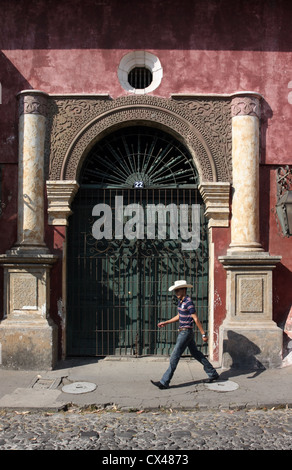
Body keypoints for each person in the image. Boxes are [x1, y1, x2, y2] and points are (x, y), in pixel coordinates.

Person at [151, 280, 219, 389]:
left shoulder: (188, 302)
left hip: (186, 332)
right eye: (175, 290)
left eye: (178, 290)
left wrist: (203, 334)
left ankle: (164, 382)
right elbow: (180, 316)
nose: (176, 292)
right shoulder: (181, 302)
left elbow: (195, 318)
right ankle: (213, 373)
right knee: (196, 353)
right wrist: (166, 322)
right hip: (185, 332)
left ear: (184, 290)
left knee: (174, 355)